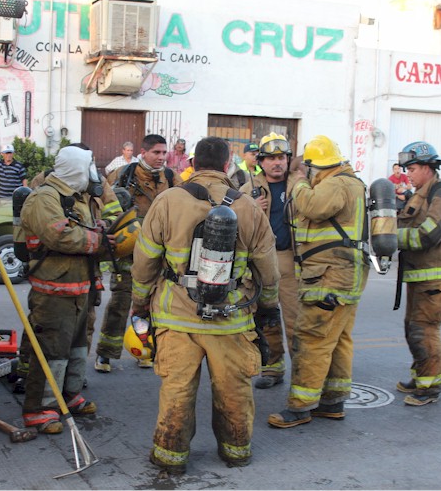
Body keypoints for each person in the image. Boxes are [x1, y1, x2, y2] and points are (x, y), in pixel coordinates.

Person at [132, 136, 280, 473]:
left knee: (177, 390)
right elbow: (268, 271)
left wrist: (139, 304)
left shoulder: (167, 201)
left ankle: (170, 458)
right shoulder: (248, 207)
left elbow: (144, 262)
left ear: (192, 164)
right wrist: (268, 309)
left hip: (176, 317)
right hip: (231, 320)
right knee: (234, 390)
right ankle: (236, 451)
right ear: (227, 166)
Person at [267, 135, 370, 429]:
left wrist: (298, 182)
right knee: (337, 340)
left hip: (330, 275)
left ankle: (300, 407)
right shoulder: (351, 182)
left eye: (307, 169)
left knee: (312, 339)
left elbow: (313, 207)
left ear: (314, 166)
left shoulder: (336, 183)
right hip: (344, 274)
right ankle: (332, 402)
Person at [18, 145, 114, 433]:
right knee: (52, 350)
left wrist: (106, 228)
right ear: (75, 168)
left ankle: (69, 396)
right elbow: (59, 235)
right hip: (54, 289)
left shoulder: (78, 197)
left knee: (76, 347)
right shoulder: (44, 197)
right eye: (88, 166)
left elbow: (86, 228)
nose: (92, 173)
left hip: (80, 285)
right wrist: (99, 241)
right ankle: (40, 409)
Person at [96, 134, 182, 372]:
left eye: (164, 153)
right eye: (156, 152)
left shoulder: (171, 178)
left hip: (159, 256)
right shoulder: (123, 174)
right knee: (120, 303)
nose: (161, 157)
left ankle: (145, 349)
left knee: (152, 306)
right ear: (143, 153)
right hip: (128, 254)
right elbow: (104, 204)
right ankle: (105, 354)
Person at [394, 141, 441, 406]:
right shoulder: (420, 193)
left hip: (431, 277)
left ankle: (430, 387)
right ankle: (421, 376)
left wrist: (393, 237)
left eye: (412, 169)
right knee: (412, 329)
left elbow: (430, 234)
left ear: (428, 168)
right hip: (418, 274)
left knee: (425, 331)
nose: (407, 174)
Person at [239, 133, 300, 389]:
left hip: (290, 260)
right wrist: (250, 206)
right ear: (261, 162)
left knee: (296, 320)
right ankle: (273, 368)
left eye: (282, 157)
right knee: (267, 317)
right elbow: (234, 220)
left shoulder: (300, 185)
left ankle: (303, 376)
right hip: (262, 260)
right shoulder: (247, 190)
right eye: (271, 158)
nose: (277, 163)